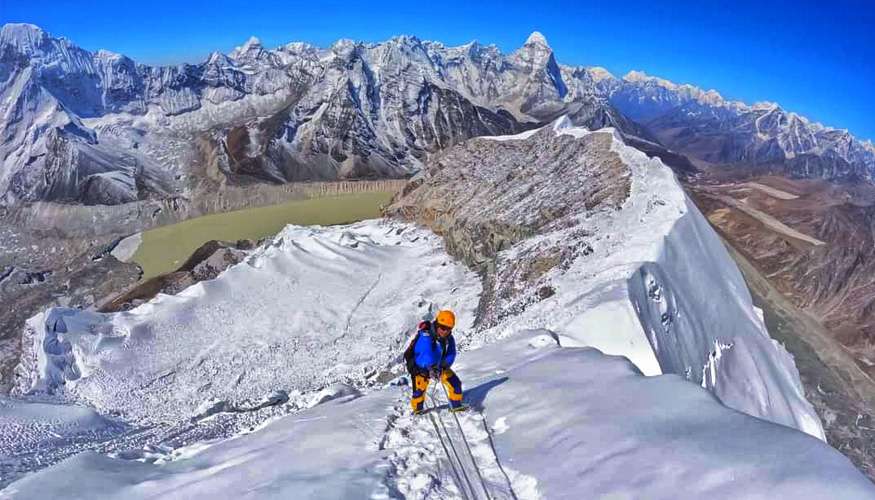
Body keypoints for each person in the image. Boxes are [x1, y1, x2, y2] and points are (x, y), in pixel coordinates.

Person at [405, 309, 466, 415]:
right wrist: (431, 367)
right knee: (419, 393)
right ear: (437, 324)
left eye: (449, 329)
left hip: (438, 367)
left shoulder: (448, 338)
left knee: (455, 384)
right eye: (443, 327)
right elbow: (425, 352)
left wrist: (443, 366)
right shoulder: (426, 335)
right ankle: (417, 412)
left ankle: (456, 407)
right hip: (421, 369)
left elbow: (451, 353)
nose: (445, 331)